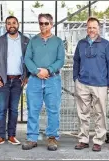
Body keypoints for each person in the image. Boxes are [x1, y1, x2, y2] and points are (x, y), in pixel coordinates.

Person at [22, 13, 65, 151]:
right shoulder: (33, 41)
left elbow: (60, 60)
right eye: (41, 23)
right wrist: (36, 71)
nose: (43, 26)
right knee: (33, 109)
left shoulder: (58, 41)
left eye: (46, 23)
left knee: (53, 110)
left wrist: (49, 70)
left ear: (51, 24)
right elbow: (27, 58)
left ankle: (52, 138)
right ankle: (32, 138)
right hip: (35, 80)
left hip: (53, 80)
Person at [73, 17, 109, 152]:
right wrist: (76, 79)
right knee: (82, 113)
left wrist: (108, 82)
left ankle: (98, 140)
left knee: (100, 113)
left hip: (100, 84)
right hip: (83, 83)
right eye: (89, 27)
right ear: (87, 28)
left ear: (99, 28)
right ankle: (83, 140)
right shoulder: (81, 43)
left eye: (94, 27)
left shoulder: (106, 44)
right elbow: (76, 62)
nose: (91, 30)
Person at [0, 16, 30, 146]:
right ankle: (0, 136)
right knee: (1, 109)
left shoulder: (25, 41)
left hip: (18, 80)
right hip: (3, 80)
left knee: (14, 109)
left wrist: (27, 75)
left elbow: (29, 59)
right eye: (8, 23)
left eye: (14, 23)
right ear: (5, 26)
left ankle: (12, 135)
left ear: (18, 24)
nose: (11, 25)